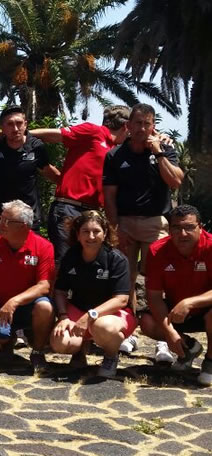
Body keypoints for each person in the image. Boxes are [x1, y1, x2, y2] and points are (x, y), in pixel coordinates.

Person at [104, 103, 184, 315]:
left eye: (146, 124)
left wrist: (158, 153)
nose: (141, 128)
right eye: (137, 123)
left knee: (156, 276)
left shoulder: (165, 149)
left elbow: (175, 181)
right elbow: (109, 197)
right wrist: (115, 229)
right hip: (125, 223)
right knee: (125, 276)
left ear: (153, 126)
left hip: (155, 222)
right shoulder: (114, 155)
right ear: (128, 125)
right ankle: (128, 324)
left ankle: (158, 325)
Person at [30, 105, 130, 261]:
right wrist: (22, 134)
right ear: (126, 126)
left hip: (92, 213)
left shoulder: (117, 150)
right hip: (69, 209)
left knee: (85, 264)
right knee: (64, 263)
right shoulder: (94, 131)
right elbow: (55, 135)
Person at [0, 200, 55, 371]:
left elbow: (44, 285)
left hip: (29, 307)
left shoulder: (44, 247)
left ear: (24, 226)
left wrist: (15, 301)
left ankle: (37, 351)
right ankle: (7, 342)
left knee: (45, 307)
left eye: (8, 221)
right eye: (1, 219)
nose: (1, 224)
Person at [50, 211, 136, 377]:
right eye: (85, 231)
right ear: (78, 234)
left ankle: (111, 356)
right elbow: (60, 291)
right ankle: (79, 352)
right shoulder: (71, 256)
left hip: (113, 314)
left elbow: (121, 299)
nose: (91, 236)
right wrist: (63, 316)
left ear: (104, 234)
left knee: (102, 327)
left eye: (96, 231)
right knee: (61, 342)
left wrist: (90, 316)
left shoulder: (116, 259)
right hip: (78, 308)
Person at [140, 205, 212, 383]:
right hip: (175, 311)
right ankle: (189, 349)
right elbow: (154, 296)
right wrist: (168, 332)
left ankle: (210, 361)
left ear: (200, 227)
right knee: (147, 322)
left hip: (206, 308)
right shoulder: (157, 251)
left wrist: (190, 302)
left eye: (189, 227)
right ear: (169, 229)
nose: (183, 234)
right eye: (177, 228)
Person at [0, 106, 60, 236]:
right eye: (10, 124)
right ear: (2, 128)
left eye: (19, 123)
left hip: (29, 218)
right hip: (1, 219)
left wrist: (72, 187)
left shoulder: (36, 147)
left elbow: (48, 170)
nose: (15, 129)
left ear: (25, 124)